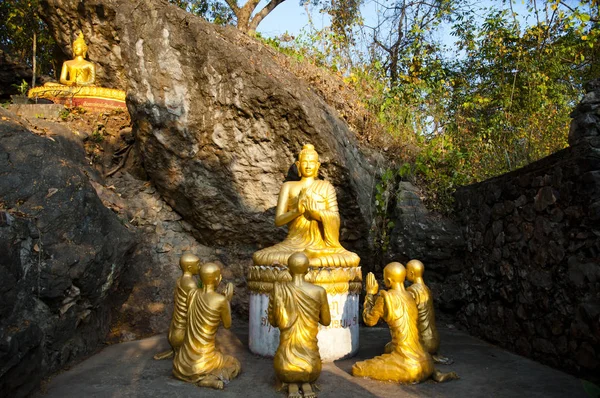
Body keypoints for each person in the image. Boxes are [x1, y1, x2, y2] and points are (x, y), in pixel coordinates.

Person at [253, 144, 360, 268]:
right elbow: (278, 220)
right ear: (298, 165)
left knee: (352, 258)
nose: (308, 166)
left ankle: (304, 264)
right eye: (305, 162)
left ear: (317, 166)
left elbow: (335, 218)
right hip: (292, 245)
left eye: (311, 162)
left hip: (320, 247)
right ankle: (310, 264)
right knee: (260, 257)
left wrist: (318, 214)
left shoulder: (326, 187)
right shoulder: (288, 186)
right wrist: (297, 211)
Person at [352, 263, 458, 383]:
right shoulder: (410, 296)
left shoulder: (386, 298)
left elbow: (368, 320)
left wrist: (370, 293)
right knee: (389, 348)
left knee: (358, 368)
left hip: (409, 366)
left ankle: (409, 370)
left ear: (388, 280)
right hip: (427, 361)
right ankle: (433, 373)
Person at [268, 252, 331, 398]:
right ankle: (306, 384)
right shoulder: (319, 291)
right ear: (307, 270)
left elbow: (274, 322)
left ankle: (292, 385)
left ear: (289, 270)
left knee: (286, 364)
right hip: (312, 367)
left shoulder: (279, 290)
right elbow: (326, 321)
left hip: (284, 367)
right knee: (310, 366)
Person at [172, 263, 240, 389]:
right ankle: (211, 379)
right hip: (203, 362)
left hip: (181, 364)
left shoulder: (192, 294)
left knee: (217, 349)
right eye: (219, 276)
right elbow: (227, 324)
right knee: (233, 363)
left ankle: (200, 375)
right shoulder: (221, 300)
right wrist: (227, 302)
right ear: (217, 279)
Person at [153, 253, 200, 360]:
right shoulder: (190, 283)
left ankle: (176, 350)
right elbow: (196, 305)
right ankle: (182, 352)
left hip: (174, 330)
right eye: (198, 264)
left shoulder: (180, 279)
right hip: (181, 332)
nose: (200, 266)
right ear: (189, 267)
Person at [405, 259, 452, 364]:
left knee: (390, 348)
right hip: (435, 340)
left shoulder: (412, 291)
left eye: (406, 270)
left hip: (423, 342)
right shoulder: (426, 289)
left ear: (411, 273)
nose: (405, 272)